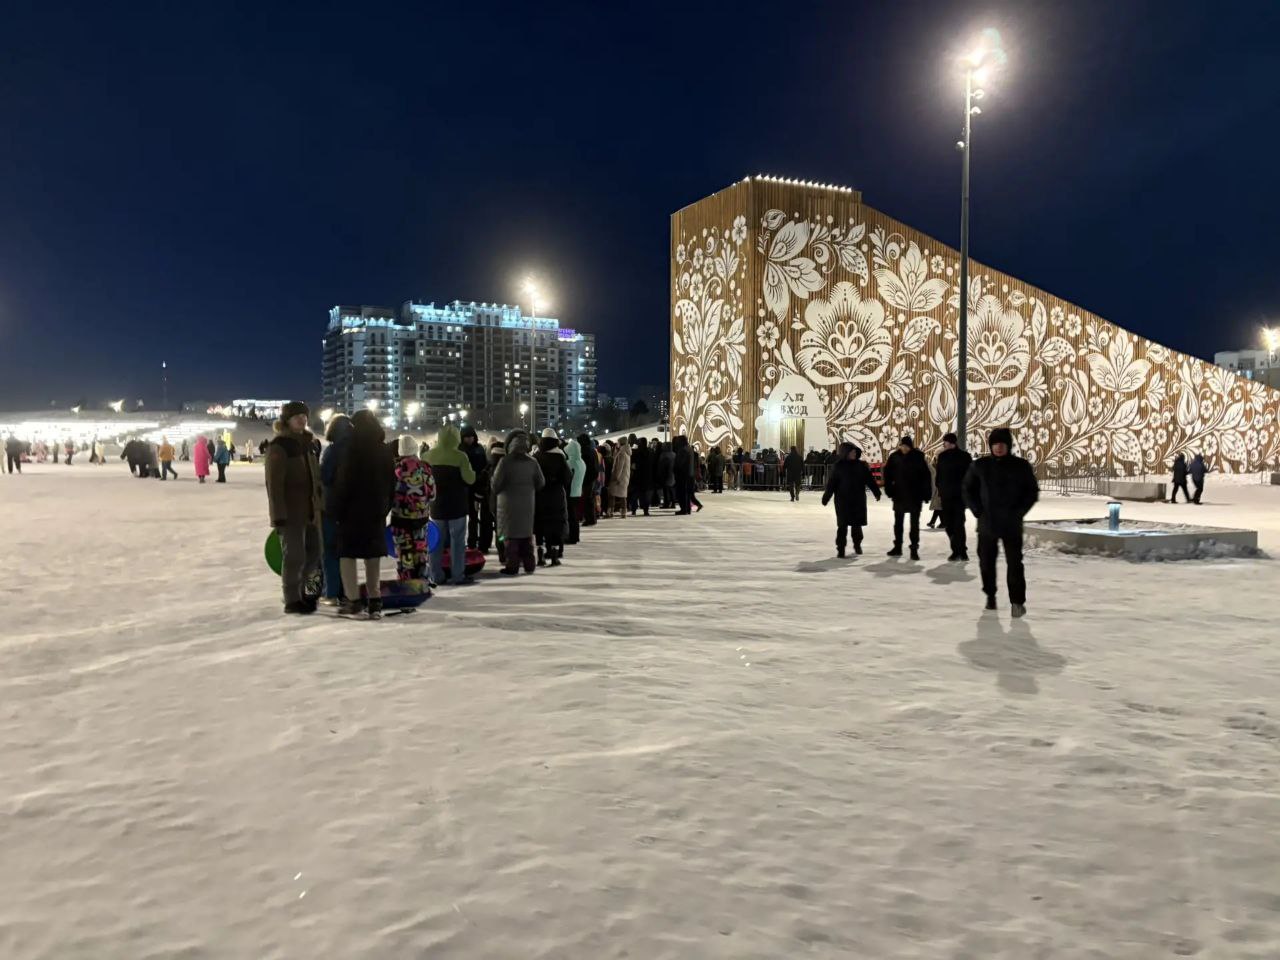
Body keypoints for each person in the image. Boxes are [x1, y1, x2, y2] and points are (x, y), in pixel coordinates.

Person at [963, 427, 1039, 617]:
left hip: (1011, 524)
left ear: (1008, 446)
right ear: (990, 446)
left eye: (1002, 444)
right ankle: (990, 595)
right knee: (986, 563)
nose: (998, 447)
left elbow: (1031, 492)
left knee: (1015, 564)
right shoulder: (980, 466)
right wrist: (977, 509)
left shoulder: (1021, 466)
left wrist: (1019, 512)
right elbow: (967, 489)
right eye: (995, 444)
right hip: (987, 523)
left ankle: (1017, 602)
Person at [331, 409, 394, 619]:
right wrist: (385, 507)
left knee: (347, 555)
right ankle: (375, 600)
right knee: (372, 556)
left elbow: (344, 482)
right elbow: (392, 482)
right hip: (376, 511)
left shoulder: (351, 449)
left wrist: (337, 508)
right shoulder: (384, 450)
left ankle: (353, 600)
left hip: (351, 512)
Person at [265, 401, 323, 615]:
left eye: (304, 416)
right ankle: (292, 599)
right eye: (297, 416)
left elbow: (316, 478)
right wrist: (278, 514)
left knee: (315, 552)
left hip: (311, 510)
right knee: (295, 556)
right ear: (287, 420)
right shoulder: (279, 446)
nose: (302, 419)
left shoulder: (309, 443)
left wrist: (320, 505)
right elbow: (274, 483)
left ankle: (301, 592)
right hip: (290, 512)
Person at [425, 424, 476, 586]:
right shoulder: (460, 457)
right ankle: (458, 575)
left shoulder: (427, 456)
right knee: (458, 542)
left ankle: (436, 575)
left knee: (436, 543)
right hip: (457, 507)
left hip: (436, 506)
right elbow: (470, 479)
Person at [492, 429, 544, 575]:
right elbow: (541, 482)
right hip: (527, 505)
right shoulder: (533, 462)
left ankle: (512, 565)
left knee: (510, 537)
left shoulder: (505, 462)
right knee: (526, 536)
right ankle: (529, 564)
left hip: (507, 506)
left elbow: (496, 485)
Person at [821, 443, 882, 556]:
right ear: (845, 453)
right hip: (842, 501)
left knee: (856, 525)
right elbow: (831, 484)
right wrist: (826, 497)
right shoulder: (838, 466)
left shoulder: (861, 466)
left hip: (857, 500)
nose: (854, 454)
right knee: (842, 526)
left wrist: (876, 492)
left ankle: (857, 544)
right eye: (851, 452)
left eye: (854, 452)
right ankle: (841, 548)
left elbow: (869, 480)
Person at [390, 434, 435, 581]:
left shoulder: (395, 469)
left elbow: (389, 493)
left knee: (404, 555)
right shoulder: (425, 468)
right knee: (420, 552)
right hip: (421, 518)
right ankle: (421, 582)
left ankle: (406, 582)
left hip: (400, 519)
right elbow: (432, 494)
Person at [319, 414, 353, 603]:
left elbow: (325, 476)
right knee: (347, 552)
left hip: (332, 506)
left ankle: (332, 592)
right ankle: (348, 591)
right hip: (353, 508)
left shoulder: (332, 451)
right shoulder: (358, 450)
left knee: (330, 550)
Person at [882, 435, 931, 560]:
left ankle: (914, 549)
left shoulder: (918, 457)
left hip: (915, 495)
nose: (904, 448)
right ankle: (897, 547)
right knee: (898, 523)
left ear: (910, 446)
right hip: (899, 495)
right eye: (902, 446)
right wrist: (889, 489)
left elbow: (925, 476)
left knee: (914, 524)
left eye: (906, 446)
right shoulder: (894, 457)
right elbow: (887, 474)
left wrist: (926, 493)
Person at [533, 428, 571, 566]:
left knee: (540, 524)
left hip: (539, 496)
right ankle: (554, 555)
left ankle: (540, 554)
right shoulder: (559, 456)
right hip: (556, 496)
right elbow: (567, 478)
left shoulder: (536, 456)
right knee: (555, 525)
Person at [934, 432, 973, 562]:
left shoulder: (964, 456)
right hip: (946, 495)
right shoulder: (942, 456)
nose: (943, 444)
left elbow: (970, 475)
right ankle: (958, 548)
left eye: (945, 442)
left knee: (959, 524)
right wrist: (939, 488)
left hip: (959, 496)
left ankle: (960, 551)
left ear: (950, 442)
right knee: (949, 524)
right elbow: (939, 474)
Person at [460, 426, 489, 551]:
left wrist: (481, 478)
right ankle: (467, 541)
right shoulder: (460, 450)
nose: (469, 439)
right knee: (464, 517)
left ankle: (474, 541)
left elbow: (485, 466)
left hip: (477, 487)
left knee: (474, 516)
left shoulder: (479, 449)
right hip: (464, 488)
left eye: (471, 436)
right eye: (466, 437)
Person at [565, 437, 586, 545]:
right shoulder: (581, 462)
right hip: (578, 491)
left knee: (570, 516)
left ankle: (571, 536)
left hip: (570, 491)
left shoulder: (570, 462)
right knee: (575, 515)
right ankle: (575, 536)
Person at [576, 434, 598, 527]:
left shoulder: (584, 451)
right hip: (592, 477)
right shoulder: (593, 450)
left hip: (586, 478)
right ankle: (592, 518)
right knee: (590, 499)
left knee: (586, 499)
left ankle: (589, 519)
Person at [608, 435, 631, 518]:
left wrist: (616, 477)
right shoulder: (627, 452)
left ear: (621, 443)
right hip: (625, 477)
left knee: (611, 495)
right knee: (623, 496)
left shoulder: (622, 453)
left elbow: (619, 467)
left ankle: (610, 512)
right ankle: (623, 512)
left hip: (619, 478)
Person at [628, 436, 652, 516]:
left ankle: (634, 510)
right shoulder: (649, 452)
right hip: (646, 476)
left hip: (637, 476)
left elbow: (633, 464)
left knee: (635, 494)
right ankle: (646, 510)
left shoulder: (636, 452)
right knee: (645, 495)